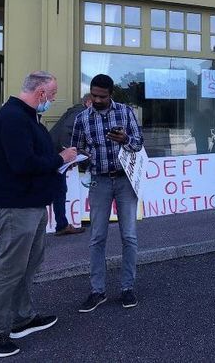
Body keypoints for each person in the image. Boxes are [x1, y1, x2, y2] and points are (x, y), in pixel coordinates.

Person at [0, 71, 77, 358]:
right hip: (15, 206)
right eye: (53, 92)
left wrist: (58, 158)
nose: (55, 98)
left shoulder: (26, 116)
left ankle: (22, 318)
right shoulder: (13, 118)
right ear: (41, 93)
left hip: (30, 204)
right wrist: (61, 158)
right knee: (10, 270)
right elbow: (23, 163)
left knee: (28, 265)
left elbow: (32, 156)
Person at [71, 74, 144, 312]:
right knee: (97, 237)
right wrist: (81, 157)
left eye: (102, 96)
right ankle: (97, 291)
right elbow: (77, 149)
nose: (97, 100)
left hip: (125, 181)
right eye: (94, 95)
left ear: (111, 94)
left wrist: (125, 139)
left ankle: (127, 288)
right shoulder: (82, 118)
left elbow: (138, 143)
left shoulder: (125, 112)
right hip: (99, 182)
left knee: (129, 237)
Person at [48, 94, 92, 236]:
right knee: (58, 190)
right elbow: (66, 134)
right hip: (55, 156)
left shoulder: (75, 112)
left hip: (54, 154)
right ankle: (61, 225)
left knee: (59, 189)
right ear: (89, 102)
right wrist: (68, 155)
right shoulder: (79, 113)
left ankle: (62, 224)